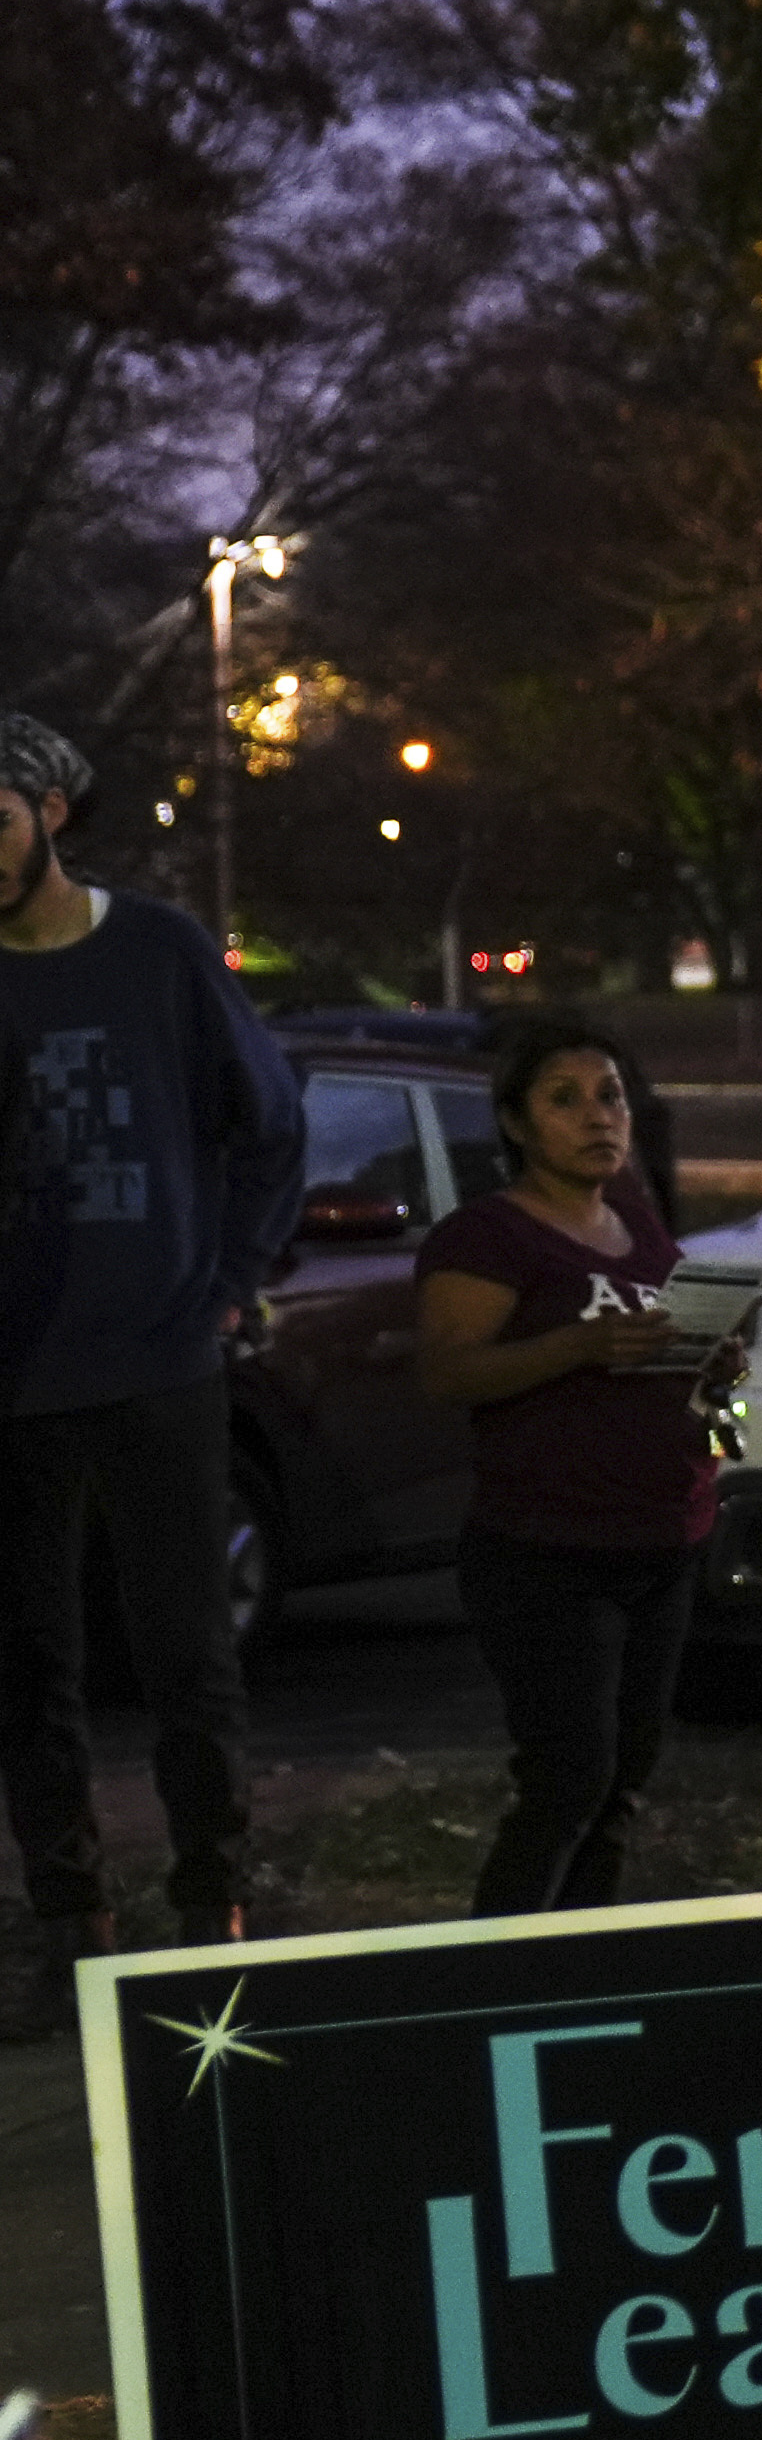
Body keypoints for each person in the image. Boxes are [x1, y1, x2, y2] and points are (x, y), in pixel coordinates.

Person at [0, 704, 304, 2015]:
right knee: (30, 1665)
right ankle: (71, 1920)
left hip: (162, 1362)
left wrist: (229, 1286)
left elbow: (273, 1126)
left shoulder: (161, 953)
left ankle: (208, 1902)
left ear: (48, 814)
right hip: (14, 1380)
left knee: (188, 1653)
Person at [413, 1015, 727, 1915]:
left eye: (612, 1096)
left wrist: (718, 1382)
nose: (598, 1117)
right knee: (568, 1780)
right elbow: (447, 1372)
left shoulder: (635, 1219)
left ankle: (586, 1975)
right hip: (549, 1551)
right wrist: (575, 1347)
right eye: (565, 1100)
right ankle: (498, 1980)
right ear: (515, 1124)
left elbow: (677, 1365)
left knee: (622, 1789)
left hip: (663, 1542)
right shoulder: (490, 1238)